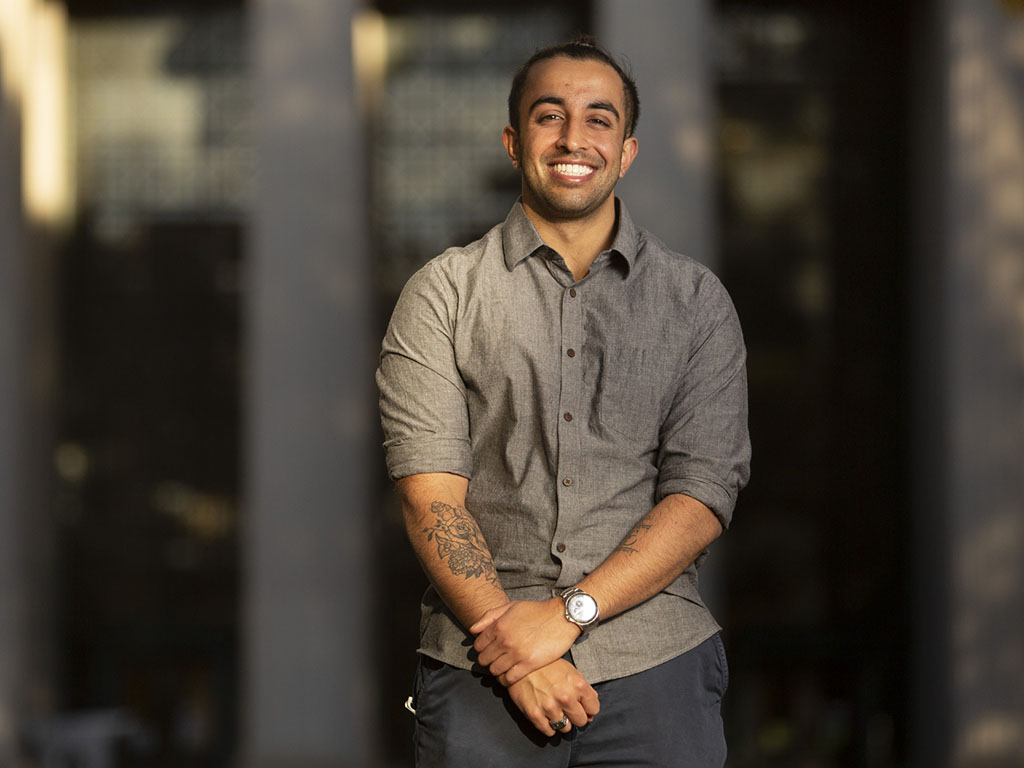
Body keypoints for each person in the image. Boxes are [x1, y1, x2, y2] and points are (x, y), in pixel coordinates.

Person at [377, 35, 750, 767]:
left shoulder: (695, 302)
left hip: (656, 662)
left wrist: (567, 617)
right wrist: (516, 644)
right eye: (549, 116)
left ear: (629, 150)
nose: (573, 138)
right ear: (515, 142)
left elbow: (703, 492)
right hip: (481, 666)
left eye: (599, 118)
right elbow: (431, 499)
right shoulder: (443, 294)